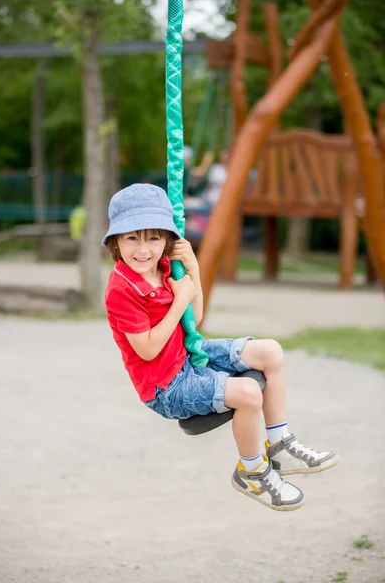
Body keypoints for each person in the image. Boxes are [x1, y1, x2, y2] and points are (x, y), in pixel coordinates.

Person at [103, 183, 339, 511]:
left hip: (186, 354)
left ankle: (281, 444)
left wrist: (194, 270)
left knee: (270, 352)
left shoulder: (164, 267)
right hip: (165, 387)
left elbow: (193, 318)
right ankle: (252, 471)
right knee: (248, 394)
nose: (144, 249)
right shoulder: (121, 289)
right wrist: (179, 300)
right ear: (115, 240)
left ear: (166, 240)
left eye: (154, 238)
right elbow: (146, 350)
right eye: (133, 238)